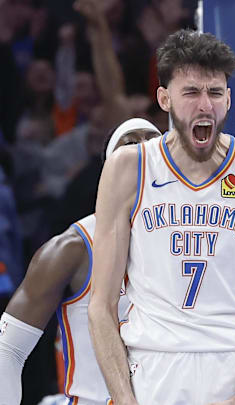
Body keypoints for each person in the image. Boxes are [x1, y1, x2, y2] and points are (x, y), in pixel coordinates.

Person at [88, 29, 235, 405]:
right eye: (191, 92)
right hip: (156, 368)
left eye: (215, 92)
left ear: (228, 99)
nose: (205, 105)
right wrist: (124, 400)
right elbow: (101, 306)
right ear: (164, 98)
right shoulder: (130, 168)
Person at [0, 118, 161, 405]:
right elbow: (8, 349)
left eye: (154, 141)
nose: (145, 150)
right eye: (131, 143)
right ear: (109, 169)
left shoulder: (196, 245)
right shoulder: (72, 248)